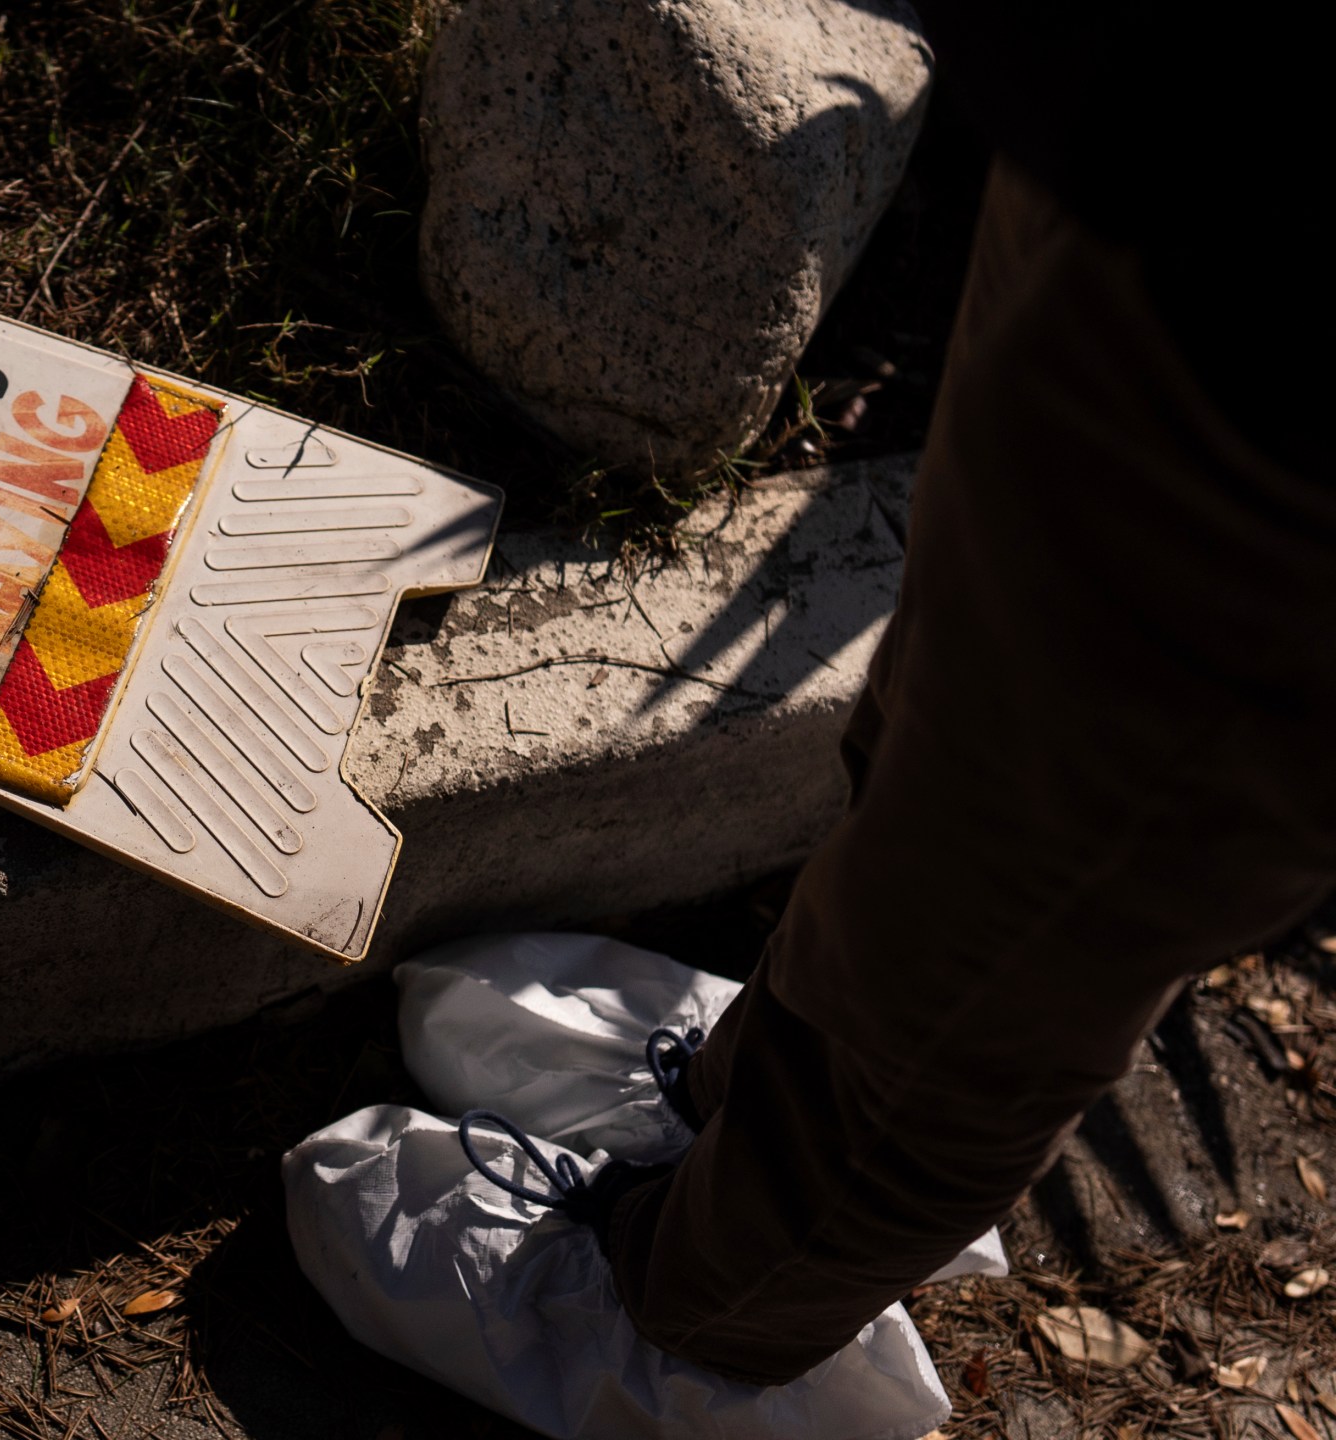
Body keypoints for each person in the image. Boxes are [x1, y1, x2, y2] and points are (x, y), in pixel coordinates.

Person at [285, 4, 1332, 1436]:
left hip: (1288, 373)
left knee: (1031, 901)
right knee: (944, 726)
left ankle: (700, 1318)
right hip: (1170, 153)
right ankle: (748, 1106)